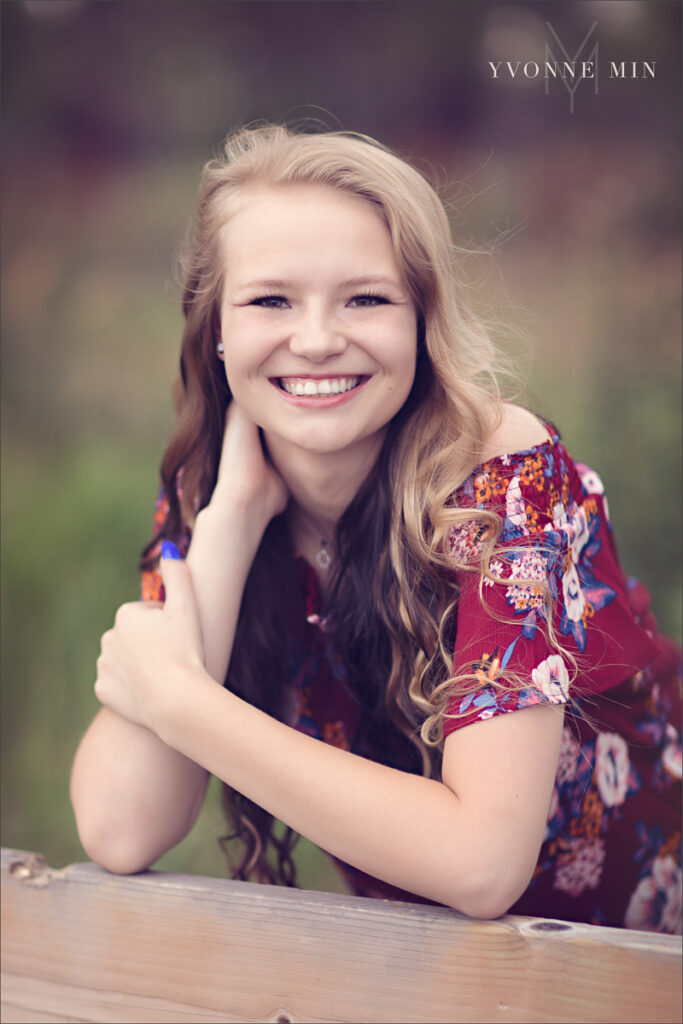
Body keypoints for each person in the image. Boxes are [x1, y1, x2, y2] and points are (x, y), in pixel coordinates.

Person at [70, 124, 681, 932]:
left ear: (421, 320)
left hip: (639, 966)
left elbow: (481, 862)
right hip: (446, 980)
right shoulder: (210, 489)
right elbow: (120, 826)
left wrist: (181, 703)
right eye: (269, 300)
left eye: (365, 298)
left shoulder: (501, 481)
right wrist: (232, 522)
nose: (318, 340)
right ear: (215, 327)